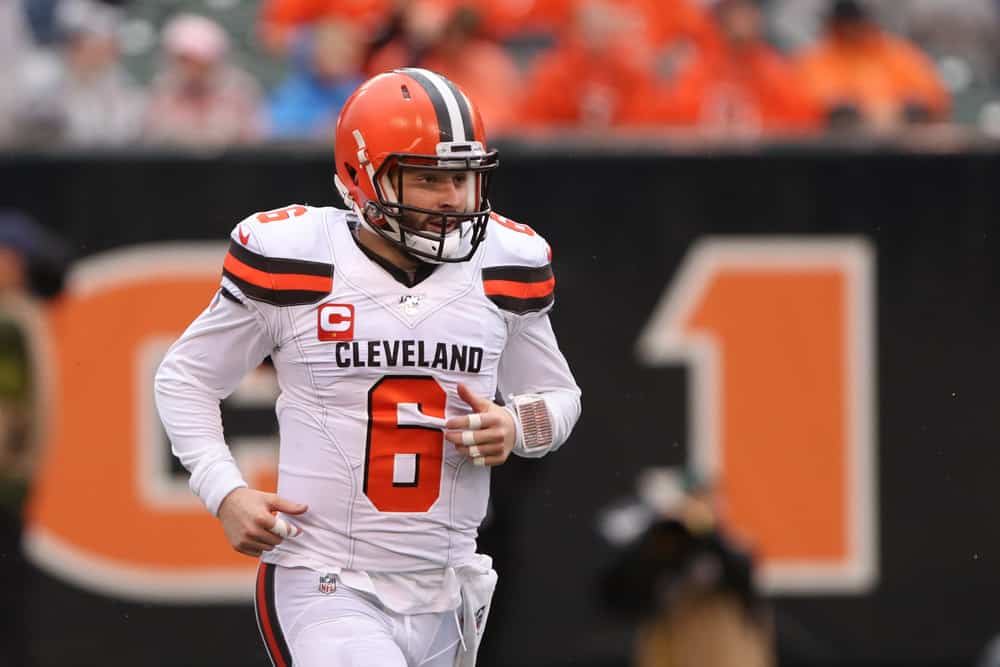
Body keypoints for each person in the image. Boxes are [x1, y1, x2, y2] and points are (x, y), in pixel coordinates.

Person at [154, 68, 581, 666]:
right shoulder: (299, 257)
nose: (452, 198)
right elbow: (187, 379)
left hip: (446, 586)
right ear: (363, 175)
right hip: (325, 574)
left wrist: (518, 426)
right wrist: (224, 492)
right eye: (428, 178)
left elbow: (558, 398)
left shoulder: (507, 263)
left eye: (461, 178)